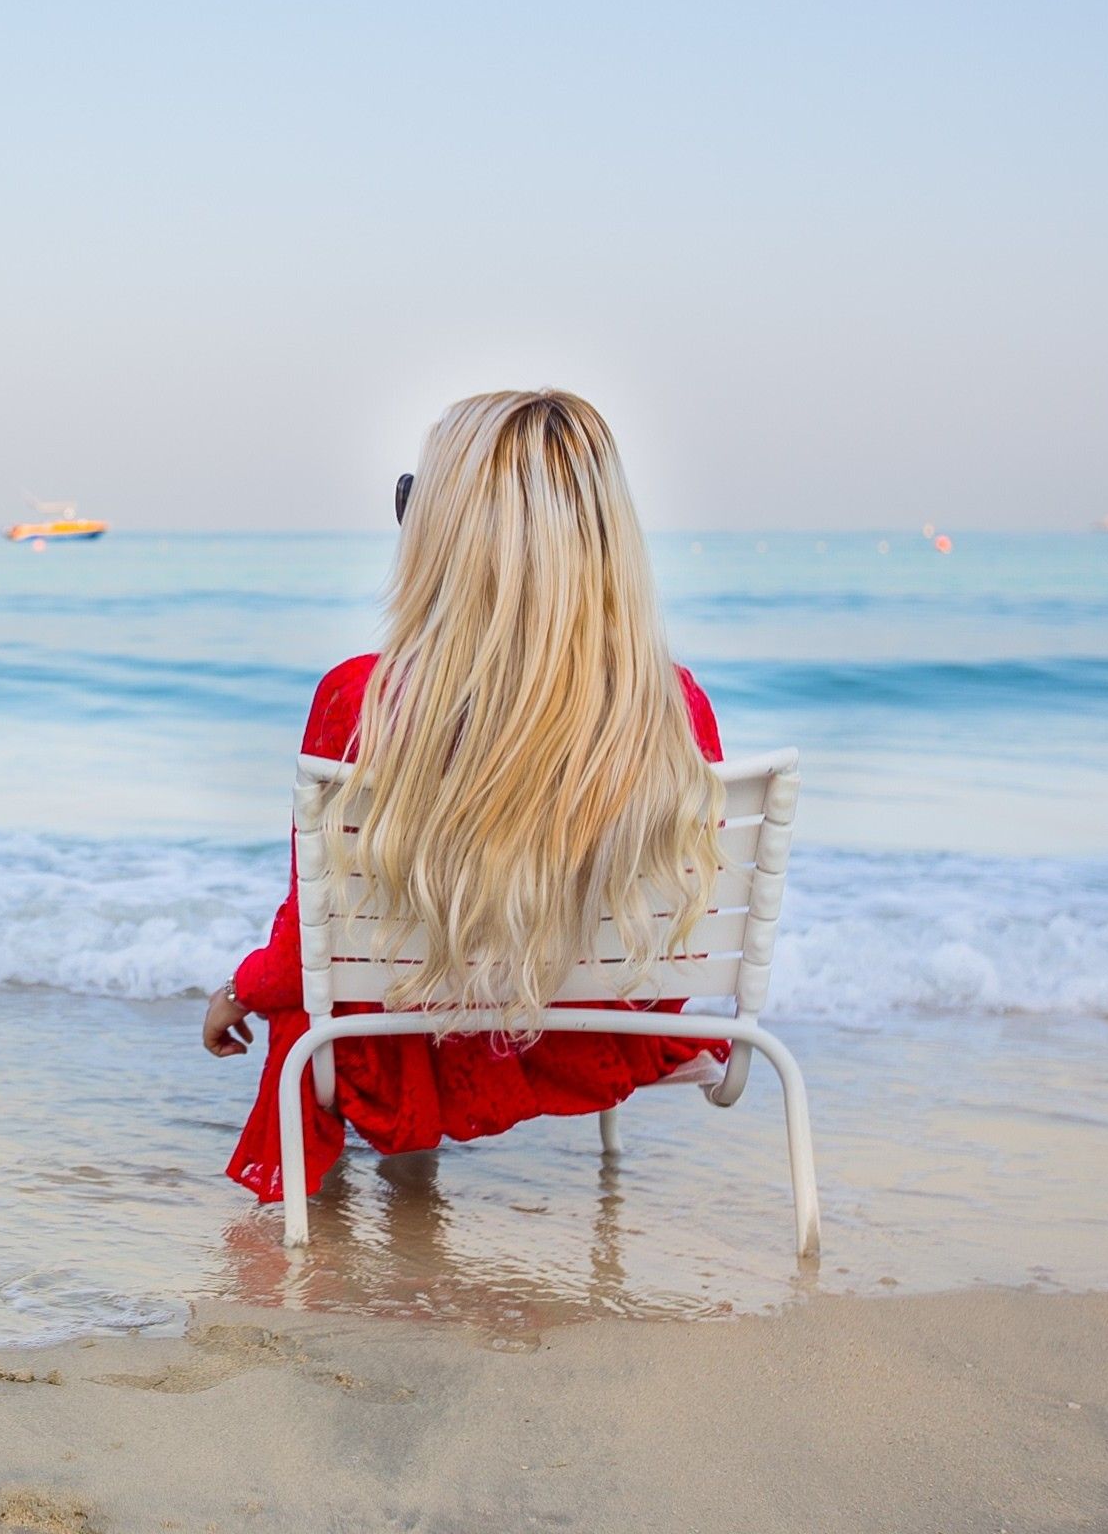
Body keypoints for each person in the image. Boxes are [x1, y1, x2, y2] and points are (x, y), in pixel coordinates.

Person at [206, 389, 731, 1204]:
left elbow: (312, 937)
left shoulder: (365, 700)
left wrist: (239, 990)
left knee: (325, 991)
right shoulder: (673, 708)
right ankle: (416, 1190)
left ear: (448, 535)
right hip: (600, 1039)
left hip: (407, 1043)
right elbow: (668, 944)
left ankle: (385, 1184)